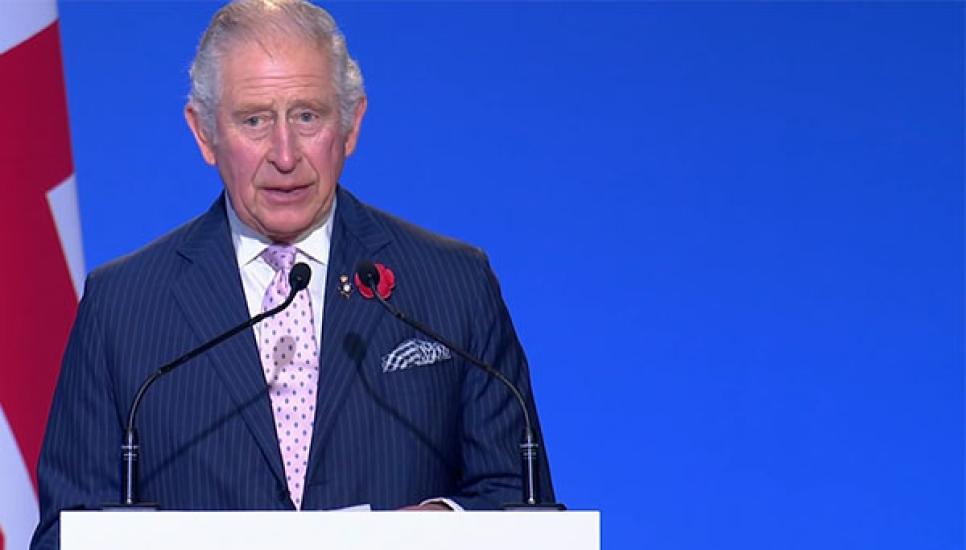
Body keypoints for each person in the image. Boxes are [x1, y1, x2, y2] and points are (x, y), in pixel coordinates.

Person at [30, 1, 553, 548]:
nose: (285, 154)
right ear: (204, 134)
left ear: (350, 126)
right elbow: (68, 529)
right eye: (254, 119)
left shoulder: (452, 285)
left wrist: (439, 524)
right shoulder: (123, 305)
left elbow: (521, 500)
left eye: (308, 116)